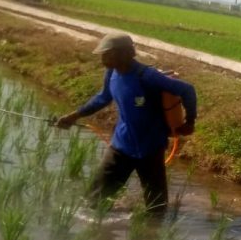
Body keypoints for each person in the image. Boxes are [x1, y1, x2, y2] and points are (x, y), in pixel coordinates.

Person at [55, 32, 197, 214]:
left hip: (150, 148)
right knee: (92, 202)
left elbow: (187, 90)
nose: (102, 58)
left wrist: (190, 121)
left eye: (107, 54)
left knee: (156, 210)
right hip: (121, 146)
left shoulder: (147, 76)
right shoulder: (111, 73)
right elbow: (102, 98)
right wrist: (73, 116)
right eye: (102, 54)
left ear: (125, 53)